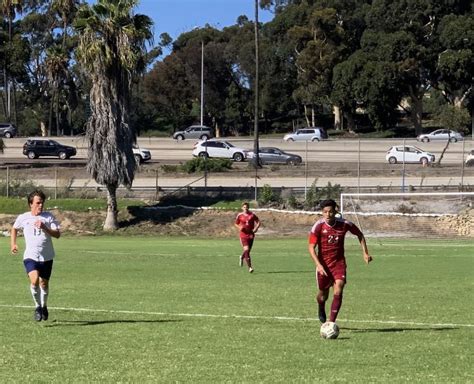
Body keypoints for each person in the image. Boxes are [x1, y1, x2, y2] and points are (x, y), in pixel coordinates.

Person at [308, 199, 372, 324]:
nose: (328, 215)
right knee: (323, 296)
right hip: (324, 265)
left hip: (338, 263)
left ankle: (331, 323)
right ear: (322, 212)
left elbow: (360, 234)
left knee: (339, 288)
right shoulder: (318, 226)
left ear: (335, 211)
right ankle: (321, 306)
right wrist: (318, 264)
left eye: (330, 212)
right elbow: (311, 247)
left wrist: (365, 252)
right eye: (325, 212)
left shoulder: (344, 224)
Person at [11, 189, 61, 321]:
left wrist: (45, 227)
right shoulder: (23, 217)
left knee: (44, 284)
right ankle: (38, 306)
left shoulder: (48, 217)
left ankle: (44, 306)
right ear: (30, 204)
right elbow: (14, 228)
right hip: (30, 256)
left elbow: (57, 235)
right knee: (34, 280)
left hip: (47, 256)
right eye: (38, 203)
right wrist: (13, 244)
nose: (41, 205)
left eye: (42, 203)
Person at [234, 202, 261, 273]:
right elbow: (236, 223)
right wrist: (239, 227)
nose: (245, 208)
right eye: (244, 207)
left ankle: (242, 257)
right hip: (243, 235)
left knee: (248, 251)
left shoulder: (252, 215)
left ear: (248, 207)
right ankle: (250, 267)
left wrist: (256, 228)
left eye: (247, 207)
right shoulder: (239, 215)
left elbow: (258, 221)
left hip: (251, 234)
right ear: (242, 208)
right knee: (247, 249)